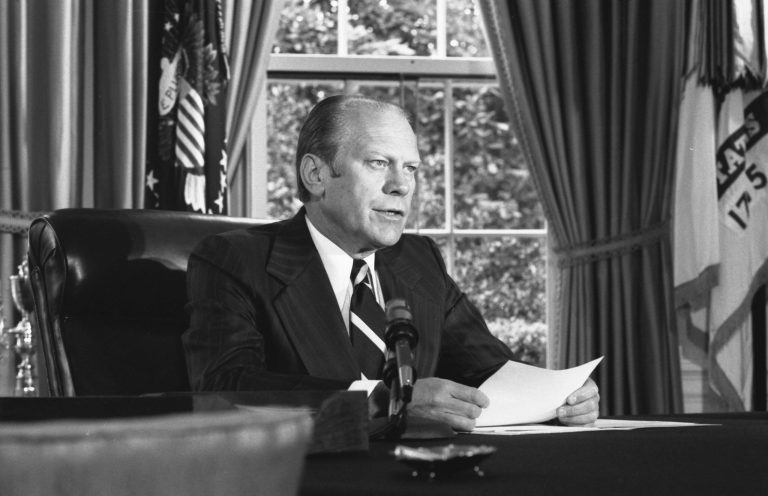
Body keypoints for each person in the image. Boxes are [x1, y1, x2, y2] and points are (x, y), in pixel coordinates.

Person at [182, 95, 599, 431]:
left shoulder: (418, 259)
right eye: (379, 163)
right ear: (316, 174)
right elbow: (225, 389)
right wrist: (387, 402)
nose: (402, 186)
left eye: (411, 168)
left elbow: (488, 371)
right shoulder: (235, 259)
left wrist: (559, 397)